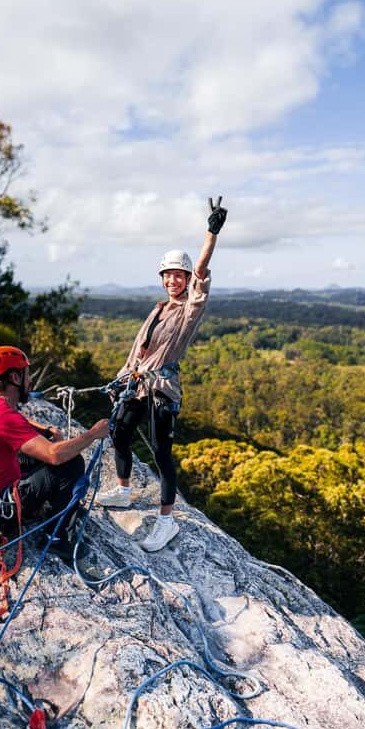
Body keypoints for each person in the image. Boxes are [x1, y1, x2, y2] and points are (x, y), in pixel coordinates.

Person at [97, 198, 227, 551]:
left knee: (160, 452)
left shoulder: (188, 310)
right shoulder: (157, 309)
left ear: (186, 279)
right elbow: (138, 350)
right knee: (119, 434)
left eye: (178, 275)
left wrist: (211, 235)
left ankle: (166, 521)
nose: (172, 280)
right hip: (136, 384)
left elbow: (202, 273)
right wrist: (121, 377)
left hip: (161, 389)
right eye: (168, 275)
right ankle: (123, 490)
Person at [0, 345, 109, 558]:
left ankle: (57, 506)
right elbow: (54, 455)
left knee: (33, 453)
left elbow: (19, 423)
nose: (29, 381)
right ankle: (56, 538)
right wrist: (93, 434)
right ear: (15, 377)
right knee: (70, 463)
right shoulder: (4, 416)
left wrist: (46, 431)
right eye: (27, 375)